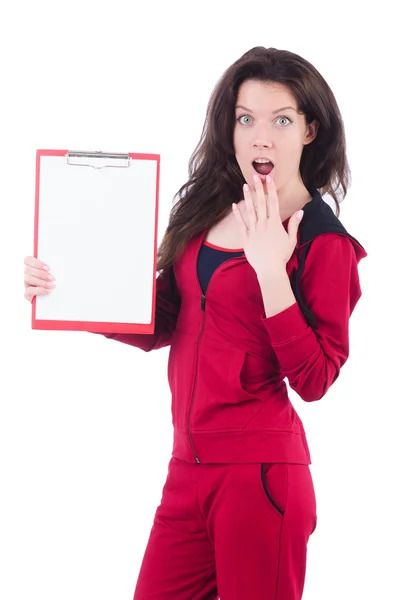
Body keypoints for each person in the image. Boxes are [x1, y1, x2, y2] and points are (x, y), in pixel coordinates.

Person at [24, 46, 367, 600]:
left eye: (281, 120)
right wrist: (66, 287)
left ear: (309, 130)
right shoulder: (211, 207)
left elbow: (316, 378)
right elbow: (163, 317)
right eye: (245, 118)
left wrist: (270, 271)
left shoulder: (324, 242)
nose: (261, 137)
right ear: (228, 126)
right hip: (188, 466)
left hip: (259, 476)